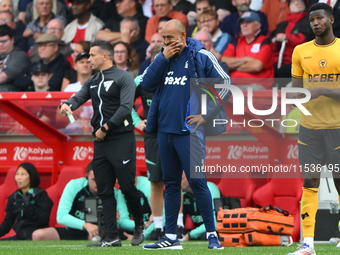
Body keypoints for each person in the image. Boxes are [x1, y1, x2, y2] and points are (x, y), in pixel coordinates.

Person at [141, 19, 231, 250]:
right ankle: (171, 237)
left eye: (170, 38)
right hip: (165, 130)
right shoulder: (163, 58)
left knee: (197, 183)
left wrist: (207, 115)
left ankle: (213, 236)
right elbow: (147, 84)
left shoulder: (202, 55)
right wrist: (163, 57)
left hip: (189, 132)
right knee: (170, 185)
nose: (167, 42)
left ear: (183, 34)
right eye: (164, 39)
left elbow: (227, 84)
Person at [59, 40, 144, 247]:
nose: (88, 60)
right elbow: (77, 98)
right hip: (100, 141)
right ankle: (112, 237)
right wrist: (66, 105)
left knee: (126, 187)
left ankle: (139, 225)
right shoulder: (92, 80)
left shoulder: (124, 78)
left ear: (105, 56)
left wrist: (105, 127)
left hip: (121, 138)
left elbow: (126, 108)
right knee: (104, 190)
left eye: (92, 55)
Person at [288, 3, 340, 255]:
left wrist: (322, 91)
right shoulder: (300, 51)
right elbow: (296, 87)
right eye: (312, 20)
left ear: (331, 19)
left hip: (337, 127)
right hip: (309, 128)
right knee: (309, 181)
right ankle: (308, 244)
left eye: (319, 18)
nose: (315, 23)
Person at [132, 44, 165, 241]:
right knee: (155, 182)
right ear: (152, 62)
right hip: (152, 136)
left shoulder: (176, 80)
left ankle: (176, 225)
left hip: (174, 134)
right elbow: (124, 102)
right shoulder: (141, 80)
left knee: (174, 181)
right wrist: (138, 122)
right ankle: (159, 227)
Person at [32, 162, 100, 241]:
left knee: (96, 237)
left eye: (101, 179)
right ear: (87, 176)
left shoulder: (111, 191)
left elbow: (116, 221)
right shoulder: (75, 185)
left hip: (96, 231)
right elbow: (61, 217)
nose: (97, 183)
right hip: (72, 230)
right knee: (38, 235)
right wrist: (86, 225)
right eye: (94, 179)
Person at [221, 11, 274, 90]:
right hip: (233, 86)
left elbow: (256, 66)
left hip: (257, 85)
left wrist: (234, 65)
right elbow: (224, 63)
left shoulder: (265, 41)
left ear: (258, 25)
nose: (244, 25)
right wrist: (246, 59)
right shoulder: (236, 41)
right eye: (242, 23)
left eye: (248, 22)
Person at [0, 162, 53, 240]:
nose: (19, 178)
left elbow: (43, 220)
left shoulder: (41, 195)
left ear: (31, 177)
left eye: (23, 174)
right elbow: (8, 222)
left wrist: (28, 205)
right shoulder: (14, 197)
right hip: (20, 236)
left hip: (37, 236)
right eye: (17, 174)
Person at [270, 0, 313, 88]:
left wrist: (286, 37)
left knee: (283, 73)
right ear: (289, 5)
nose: (296, 3)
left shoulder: (310, 23)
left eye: (299, 1)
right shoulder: (282, 25)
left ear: (305, 5)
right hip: (278, 63)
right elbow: (270, 43)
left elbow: (302, 41)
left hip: (298, 63)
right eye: (293, 1)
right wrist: (275, 40)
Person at [181, 172, 220, 241]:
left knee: (206, 236)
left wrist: (190, 235)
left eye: (181, 180)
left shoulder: (210, 189)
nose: (178, 184)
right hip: (197, 231)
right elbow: (166, 217)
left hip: (215, 229)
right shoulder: (183, 194)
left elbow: (215, 222)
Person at [0, 24, 30, 92]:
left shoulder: (20, 56)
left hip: (10, 97)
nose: (1, 44)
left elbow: (3, 77)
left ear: (12, 40)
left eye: (4, 41)